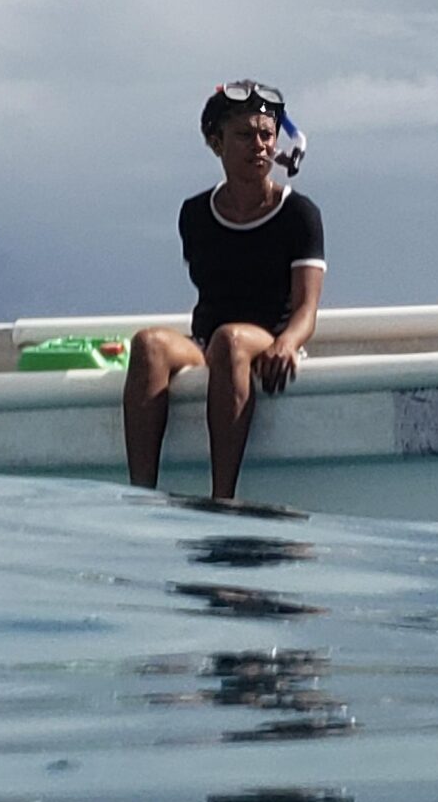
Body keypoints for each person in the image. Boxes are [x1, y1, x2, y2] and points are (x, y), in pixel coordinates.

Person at [122, 80, 325, 500]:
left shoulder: (299, 214)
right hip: (207, 342)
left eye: (267, 135)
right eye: (245, 135)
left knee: (230, 340)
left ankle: (223, 499)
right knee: (149, 344)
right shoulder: (195, 214)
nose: (260, 146)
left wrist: (286, 344)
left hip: (265, 338)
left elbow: (307, 309)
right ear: (216, 143)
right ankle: (140, 497)